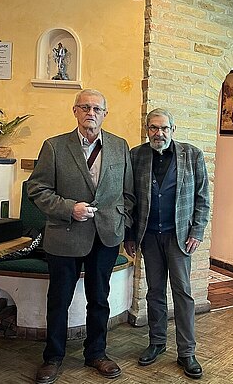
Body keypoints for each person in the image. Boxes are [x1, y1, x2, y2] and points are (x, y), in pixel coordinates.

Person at [28, 89, 134, 384]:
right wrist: (68, 208)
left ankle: (96, 353)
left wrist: (122, 222)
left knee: (99, 299)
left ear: (105, 114)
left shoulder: (119, 146)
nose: (91, 113)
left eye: (97, 109)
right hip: (65, 236)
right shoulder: (54, 146)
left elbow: (128, 193)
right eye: (85, 107)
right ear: (74, 111)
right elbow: (37, 189)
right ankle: (53, 357)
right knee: (59, 300)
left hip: (106, 236)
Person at [124, 108, 210, 379]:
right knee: (154, 292)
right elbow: (129, 199)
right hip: (149, 236)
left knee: (182, 293)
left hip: (179, 237)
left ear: (173, 129)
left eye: (164, 128)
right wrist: (129, 235)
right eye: (153, 128)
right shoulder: (136, 156)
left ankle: (187, 352)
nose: (158, 133)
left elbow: (202, 198)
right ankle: (157, 342)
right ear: (147, 129)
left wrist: (197, 231)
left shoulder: (192, 155)